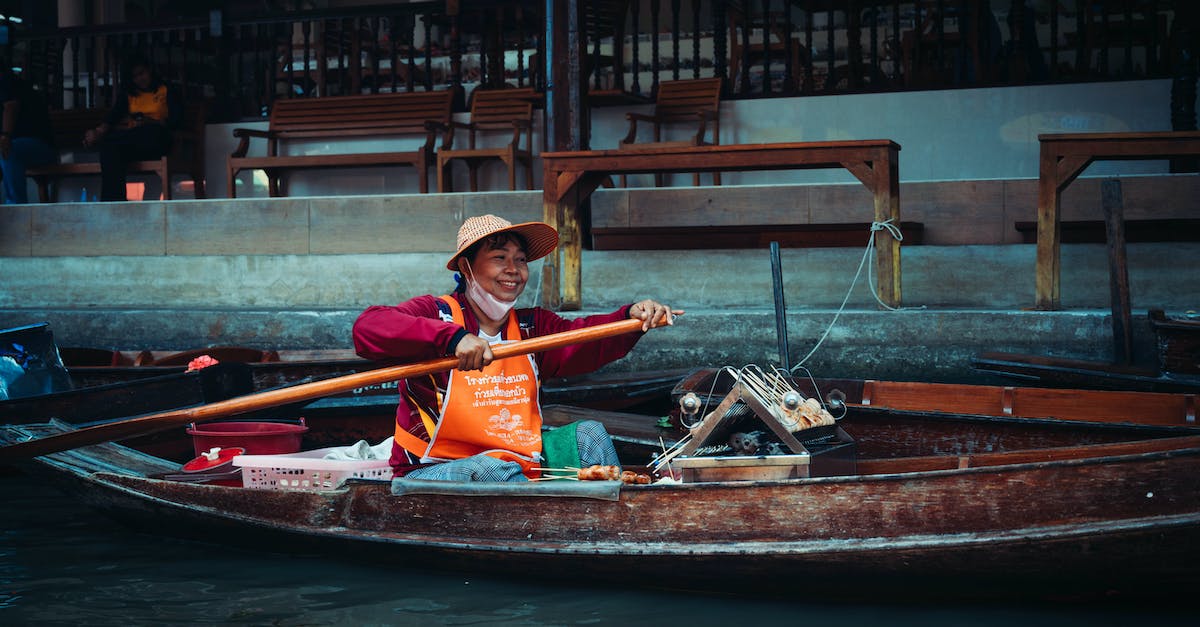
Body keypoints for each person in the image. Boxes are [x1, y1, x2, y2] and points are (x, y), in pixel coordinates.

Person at [353, 214, 680, 482]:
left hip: (520, 463)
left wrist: (629, 317)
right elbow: (368, 328)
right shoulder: (435, 314)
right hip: (431, 469)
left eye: (520, 261)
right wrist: (451, 339)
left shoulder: (532, 327)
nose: (514, 270)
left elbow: (583, 338)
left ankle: (609, 527)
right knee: (493, 469)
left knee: (590, 434)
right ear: (467, 267)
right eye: (499, 259)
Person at [82, 53, 182, 201]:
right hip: (135, 141)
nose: (140, 79)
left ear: (149, 70)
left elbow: (176, 121)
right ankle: (113, 203)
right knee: (109, 147)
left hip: (158, 139)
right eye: (135, 77)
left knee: (146, 133)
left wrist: (150, 121)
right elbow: (113, 116)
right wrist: (97, 132)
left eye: (142, 73)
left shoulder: (166, 90)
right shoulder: (129, 95)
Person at [0, 60, 56, 204]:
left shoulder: (7, 82)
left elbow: (11, 107)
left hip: (41, 148)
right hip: (23, 147)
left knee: (8, 150)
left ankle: (15, 207)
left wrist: (5, 136)